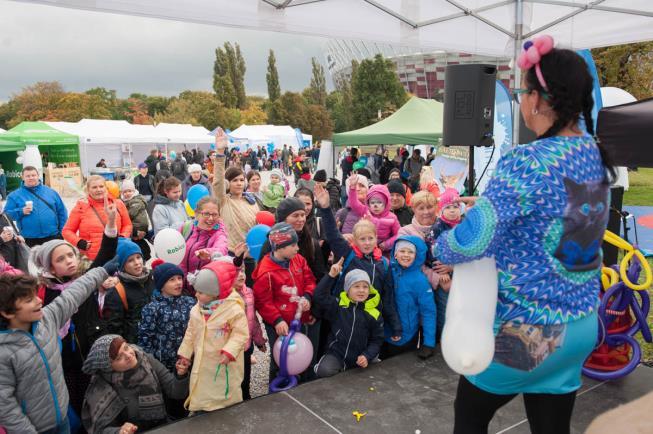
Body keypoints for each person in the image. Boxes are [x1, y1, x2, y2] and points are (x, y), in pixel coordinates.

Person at [433, 37, 613, 434]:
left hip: (530, 332)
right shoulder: (594, 152)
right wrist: (490, 200)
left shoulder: (527, 161)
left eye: (523, 92)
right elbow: (556, 208)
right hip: (580, 323)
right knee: (551, 426)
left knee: (470, 419)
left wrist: (440, 242)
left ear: (537, 99)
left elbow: (474, 240)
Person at [31, 195, 119, 416]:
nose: (70, 260)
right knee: (79, 399)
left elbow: (105, 254)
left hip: (94, 346)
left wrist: (110, 223)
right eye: (60, 259)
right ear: (49, 268)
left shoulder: (86, 279)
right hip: (68, 360)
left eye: (71, 255)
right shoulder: (46, 294)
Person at [0, 262, 109, 433]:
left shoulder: (47, 320)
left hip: (62, 417)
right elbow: (5, 405)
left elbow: (73, 294)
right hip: (35, 429)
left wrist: (102, 270)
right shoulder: (4, 351)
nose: (39, 301)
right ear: (7, 312)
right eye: (29, 300)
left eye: (36, 295)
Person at [314, 184, 402, 337]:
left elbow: (387, 298)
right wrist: (326, 208)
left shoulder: (383, 264)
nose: (367, 243)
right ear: (355, 240)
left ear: (376, 239)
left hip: (368, 324)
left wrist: (395, 327)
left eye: (370, 238)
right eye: (362, 239)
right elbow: (333, 235)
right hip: (343, 319)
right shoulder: (348, 255)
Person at [177, 260, 249, 412]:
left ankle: (226, 413)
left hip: (224, 362)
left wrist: (230, 351)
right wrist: (186, 354)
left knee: (224, 390)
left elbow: (240, 334)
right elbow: (191, 332)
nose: (196, 295)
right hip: (203, 362)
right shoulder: (197, 309)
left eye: (201, 292)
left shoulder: (234, 310)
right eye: (196, 291)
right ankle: (202, 410)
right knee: (203, 388)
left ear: (215, 293)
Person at [81, 334, 189, 434]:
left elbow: (176, 392)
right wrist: (119, 431)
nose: (128, 355)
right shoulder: (101, 385)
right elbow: (100, 429)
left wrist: (181, 375)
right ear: (108, 367)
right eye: (119, 358)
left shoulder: (146, 360)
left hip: (161, 427)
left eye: (126, 347)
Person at [252, 222, 318, 381]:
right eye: (293, 245)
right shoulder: (265, 272)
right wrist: (277, 320)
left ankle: (301, 385)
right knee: (280, 359)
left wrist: (308, 296)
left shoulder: (299, 260)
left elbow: (310, 280)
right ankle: (276, 392)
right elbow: (263, 302)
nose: (297, 248)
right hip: (278, 325)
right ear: (279, 247)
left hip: (298, 320)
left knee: (299, 354)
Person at [137, 261, 195, 418]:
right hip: (166, 366)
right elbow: (145, 339)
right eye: (172, 279)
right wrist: (153, 365)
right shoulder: (152, 308)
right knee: (173, 402)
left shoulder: (190, 302)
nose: (178, 283)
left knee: (191, 398)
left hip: (190, 360)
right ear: (161, 285)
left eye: (179, 278)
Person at [313, 261, 384, 378]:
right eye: (356, 286)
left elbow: (377, 340)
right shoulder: (338, 305)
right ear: (347, 289)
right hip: (337, 354)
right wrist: (330, 276)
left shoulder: (374, 313)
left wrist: (367, 356)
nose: (361, 290)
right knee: (324, 371)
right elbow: (318, 296)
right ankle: (322, 365)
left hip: (360, 357)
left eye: (365, 287)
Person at [212, 128, 260, 283]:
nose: (239, 183)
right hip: (232, 254)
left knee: (251, 295)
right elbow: (218, 181)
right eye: (234, 180)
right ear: (228, 183)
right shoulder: (224, 200)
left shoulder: (251, 201)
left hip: (251, 256)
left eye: (241, 180)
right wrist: (220, 153)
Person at [381, 236, 436, 360]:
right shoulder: (389, 271)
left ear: (417, 255)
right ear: (395, 253)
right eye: (402, 251)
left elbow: (428, 312)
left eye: (410, 252)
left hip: (406, 336)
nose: (406, 255)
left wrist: (429, 343)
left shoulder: (420, 281)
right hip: (385, 332)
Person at [63, 175, 132, 260]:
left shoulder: (118, 204)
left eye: (101, 186)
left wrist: (122, 237)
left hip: (117, 252)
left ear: (106, 188)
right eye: (94, 187)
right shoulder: (81, 206)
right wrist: (79, 242)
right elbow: (67, 231)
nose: (98, 190)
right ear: (88, 190)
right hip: (92, 257)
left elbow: (127, 225)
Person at [104, 240, 155, 343]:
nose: (137, 263)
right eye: (130, 260)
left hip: (157, 337)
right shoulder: (117, 291)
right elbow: (114, 327)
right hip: (136, 343)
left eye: (138, 257)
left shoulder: (152, 277)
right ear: (122, 265)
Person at [427, 188, 461, 341]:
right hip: (445, 276)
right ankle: (445, 339)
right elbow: (433, 251)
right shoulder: (438, 228)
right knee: (444, 307)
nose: (452, 211)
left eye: (455, 207)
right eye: (448, 207)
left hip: (462, 273)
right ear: (441, 210)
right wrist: (442, 273)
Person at [5, 166, 68, 248]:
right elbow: (5, 216)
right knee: (33, 261)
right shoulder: (14, 195)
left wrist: (62, 232)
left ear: (38, 176)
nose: (31, 178)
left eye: (33, 175)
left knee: (53, 260)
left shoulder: (51, 192)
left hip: (53, 236)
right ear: (22, 177)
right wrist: (21, 211)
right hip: (29, 238)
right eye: (28, 176)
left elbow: (62, 212)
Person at [178, 197, 228, 291]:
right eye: (206, 214)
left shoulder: (219, 233)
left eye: (215, 214)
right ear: (196, 214)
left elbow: (222, 248)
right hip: (180, 288)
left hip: (203, 292)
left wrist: (209, 253)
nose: (211, 218)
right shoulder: (186, 228)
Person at [397, 191, 442, 291]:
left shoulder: (445, 227)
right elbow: (408, 262)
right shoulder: (405, 232)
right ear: (413, 209)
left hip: (449, 280)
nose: (426, 212)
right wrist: (437, 279)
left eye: (429, 207)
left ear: (436, 206)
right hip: (418, 288)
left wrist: (451, 267)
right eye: (421, 208)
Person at [346, 174, 400, 252]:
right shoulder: (365, 211)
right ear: (368, 203)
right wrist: (352, 188)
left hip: (382, 250)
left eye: (379, 202)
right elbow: (354, 203)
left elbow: (399, 234)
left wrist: (386, 244)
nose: (375, 205)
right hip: (365, 247)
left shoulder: (392, 217)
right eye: (372, 202)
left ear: (386, 203)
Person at [121, 180, 151, 261]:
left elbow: (131, 214)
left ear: (134, 191)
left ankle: (144, 256)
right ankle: (143, 256)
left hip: (139, 226)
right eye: (125, 192)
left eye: (129, 191)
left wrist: (123, 214)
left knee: (138, 242)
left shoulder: (136, 200)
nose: (127, 193)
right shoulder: (126, 201)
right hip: (135, 226)